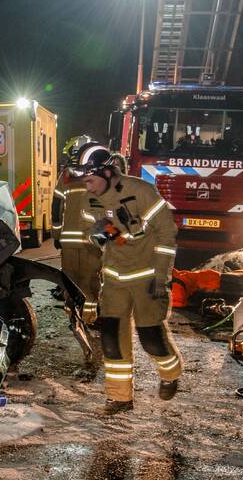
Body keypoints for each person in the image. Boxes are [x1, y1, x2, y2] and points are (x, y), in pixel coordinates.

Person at [73, 143, 182, 415]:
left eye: (90, 180)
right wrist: (106, 233)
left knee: (151, 338)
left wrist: (161, 276)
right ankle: (119, 398)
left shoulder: (141, 192)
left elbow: (167, 232)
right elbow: (90, 232)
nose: (87, 187)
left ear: (108, 172)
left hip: (147, 277)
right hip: (114, 279)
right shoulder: (90, 200)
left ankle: (170, 373)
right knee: (111, 338)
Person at [52, 136, 104, 327]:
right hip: (91, 242)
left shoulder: (66, 176)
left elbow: (56, 207)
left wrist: (56, 234)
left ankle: (73, 316)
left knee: (71, 282)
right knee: (90, 283)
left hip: (69, 241)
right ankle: (90, 319)